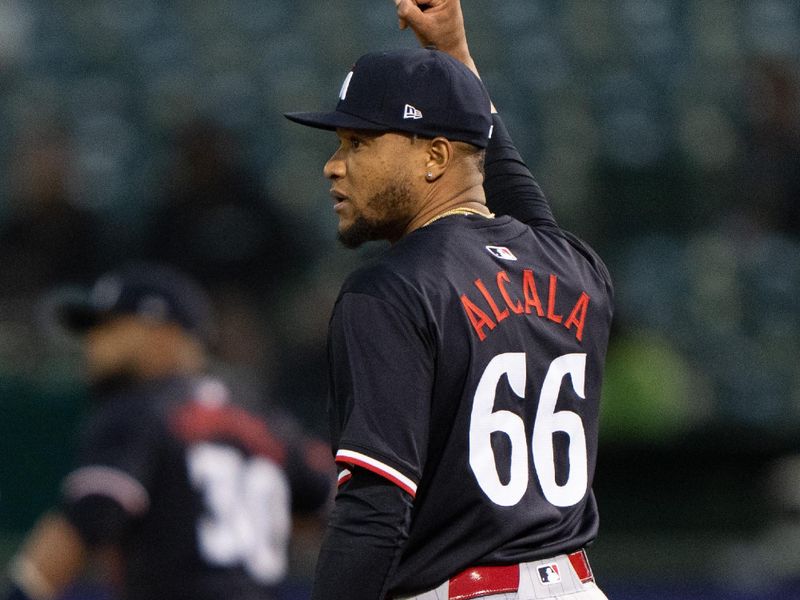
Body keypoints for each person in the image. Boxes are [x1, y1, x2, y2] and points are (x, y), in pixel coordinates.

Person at [283, 1, 614, 599]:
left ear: (435, 156)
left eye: (359, 142)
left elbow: (374, 510)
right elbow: (501, 174)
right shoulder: (575, 269)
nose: (333, 166)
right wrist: (454, 56)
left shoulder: (391, 290)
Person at [3, 263, 333, 600]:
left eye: (111, 326)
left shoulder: (136, 408)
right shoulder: (267, 420)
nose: (94, 342)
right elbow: (339, 509)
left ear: (163, 333)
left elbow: (88, 520)